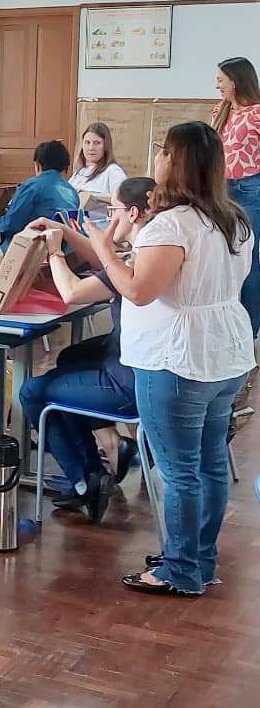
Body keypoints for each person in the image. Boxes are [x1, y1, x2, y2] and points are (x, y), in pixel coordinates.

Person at [92, 122, 253, 596]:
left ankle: (180, 570)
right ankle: (199, 559)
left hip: (176, 359)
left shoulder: (173, 223)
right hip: (224, 353)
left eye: (164, 151)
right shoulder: (233, 217)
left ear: (175, 162)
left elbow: (139, 291)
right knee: (209, 465)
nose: (157, 157)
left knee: (179, 470)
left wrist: (104, 250)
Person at [19, 177, 155, 523]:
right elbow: (101, 259)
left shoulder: (138, 260)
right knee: (68, 359)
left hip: (128, 380)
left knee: (33, 392)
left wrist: (53, 251)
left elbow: (73, 293)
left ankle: (84, 480)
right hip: (136, 362)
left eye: (114, 211)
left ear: (134, 214)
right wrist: (62, 230)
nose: (109, 218)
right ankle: (99, 459)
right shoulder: (150, 248)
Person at [213, 56, 260, 336]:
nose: (217, 85)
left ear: (235, 80)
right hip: (220, 189)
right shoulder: (221, 110)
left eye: (221, 79)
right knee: (223, 256)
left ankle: (249, 329)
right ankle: (226, 327)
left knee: (248, 258)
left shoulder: (257, 113)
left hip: (250, 188)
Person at [0, 140, 79, 246]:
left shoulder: (31, 187)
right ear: (65, 167)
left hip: (33, 249)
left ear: (37, 164)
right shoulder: (72, 192)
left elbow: (10, 225)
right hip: (62, 248)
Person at [69, 122, 127, 195]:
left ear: (106, 146)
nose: (91, 148)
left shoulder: (113, 171)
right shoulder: (80, 172)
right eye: (87, 142)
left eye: (97, 143)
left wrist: (88, 195)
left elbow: (122, 200)